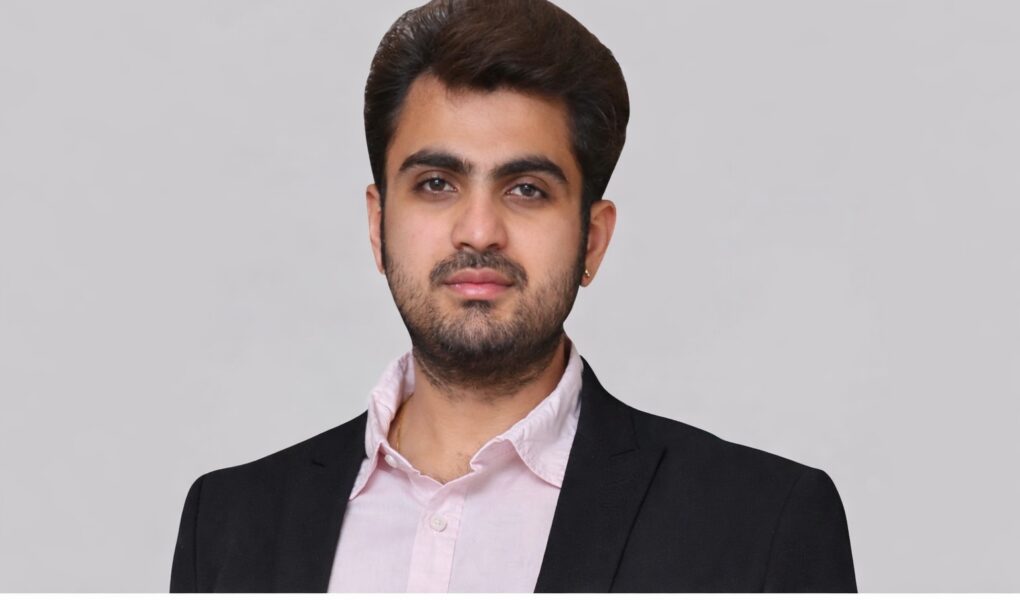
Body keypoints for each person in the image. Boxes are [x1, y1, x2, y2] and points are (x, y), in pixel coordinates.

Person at [170, 0, 856, 592]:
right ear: (378, 226)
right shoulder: (229, 523)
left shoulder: (762, 524)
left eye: (527, 189)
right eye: (436, 184)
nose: (479, 230)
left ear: (592, 239)